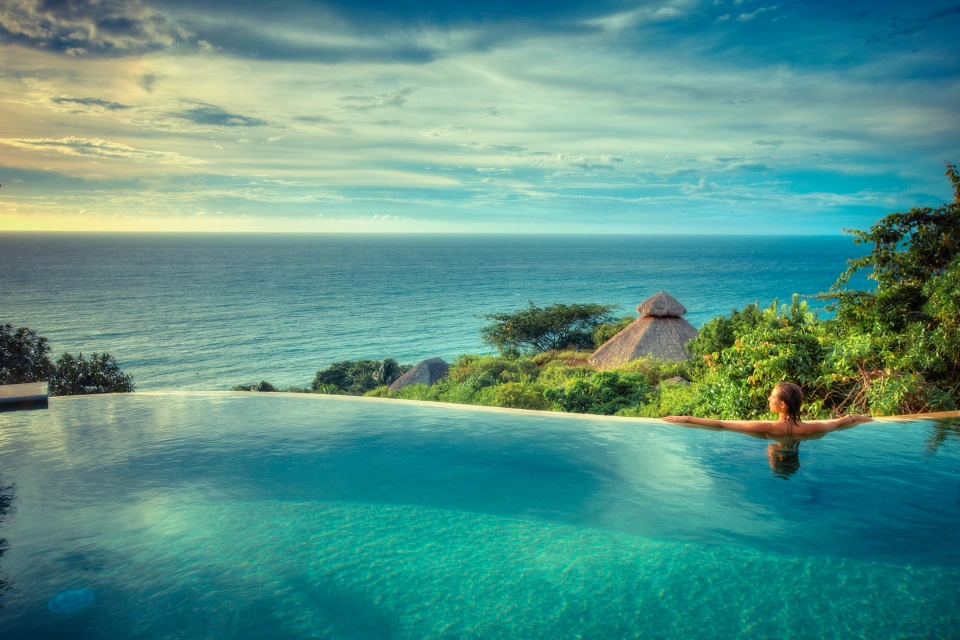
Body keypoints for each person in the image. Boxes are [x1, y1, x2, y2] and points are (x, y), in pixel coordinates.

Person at [662, 381, 872, 436]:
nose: (769, 399)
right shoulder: (813, 427)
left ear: (782, 405)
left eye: (772, 396)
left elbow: (721, 424)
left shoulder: (768, 427)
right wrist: (861, 417)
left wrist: (688, 418)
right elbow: (843, 420)